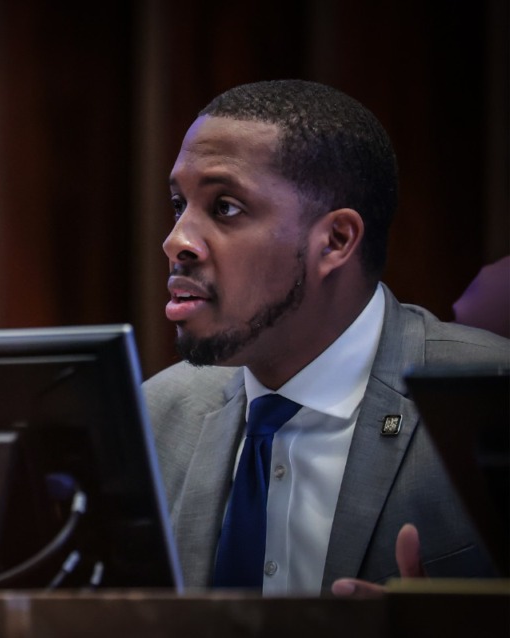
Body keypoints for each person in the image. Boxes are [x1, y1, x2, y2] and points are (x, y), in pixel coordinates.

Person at [143, 79, 510, 597]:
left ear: (335, 240)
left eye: (225, 207)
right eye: (179, 204)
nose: (176, 240)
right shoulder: (158, 416)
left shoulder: (489, 398)